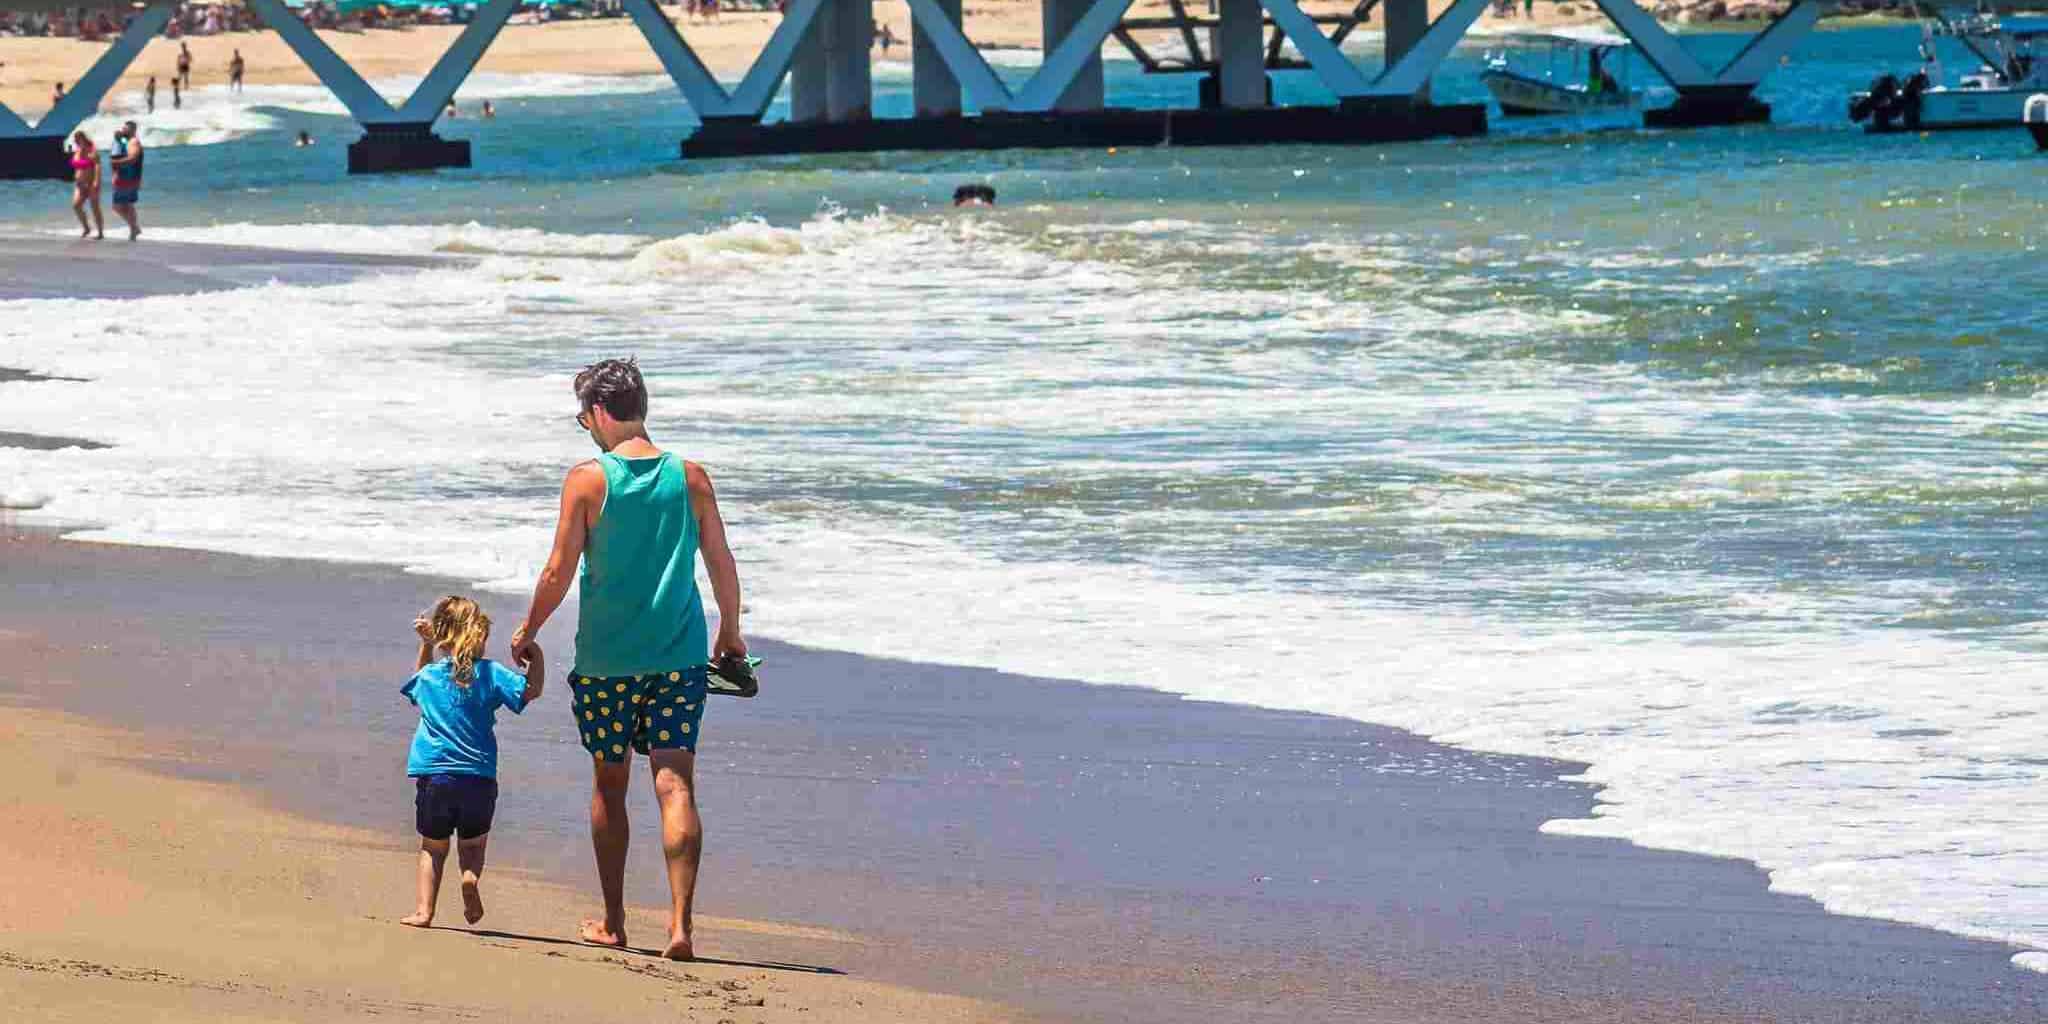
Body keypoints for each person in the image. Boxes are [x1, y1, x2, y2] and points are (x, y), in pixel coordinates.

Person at [510, 358, 745, 962]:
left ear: (597, 412)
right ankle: (679, 926)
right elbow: (721, 563)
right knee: (674, 783)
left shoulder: (588, 481)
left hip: (608, 663)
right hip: (679, 658)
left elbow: (558, 570)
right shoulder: (690, 478)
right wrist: (731, 633)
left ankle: (615, 921)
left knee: (609, 782)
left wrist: (528, 628)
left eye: (582, 417)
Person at [398, 596, 544, 929]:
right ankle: (469, 877)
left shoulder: (432, 675)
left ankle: (424, 912)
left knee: (432, 848)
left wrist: (427, 645)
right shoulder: (490, 673)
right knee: (473, 845)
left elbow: (417, 684)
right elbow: (531, 691)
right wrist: (536, 655)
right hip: (478, 777)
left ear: (442, 635)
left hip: (435, 776)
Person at [109, 121, 143, 241]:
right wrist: (118, 137)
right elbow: (120, 149)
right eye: (123, 128)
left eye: (126, 129)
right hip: (127, 178)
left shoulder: (134, 141)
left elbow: (133, 158)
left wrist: (116, 163)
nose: (123, 130)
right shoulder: (126, 141)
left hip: (128, 178)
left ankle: (134, 227)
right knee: (128, 205)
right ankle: (134, 230)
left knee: (117, 206)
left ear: (133, 130)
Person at [68, 131, 102, 240]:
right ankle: (86, 228)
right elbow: (76, 165)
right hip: (80, 184)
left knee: (95, 208)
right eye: (75, 140)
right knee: (76, 206)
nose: (76, 142)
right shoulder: (77, 151)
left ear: (84, 138)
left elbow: (97, 166)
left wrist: (96, 180)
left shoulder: (92, 150)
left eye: (78, 139)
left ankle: (100, 232)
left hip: (91, 183)